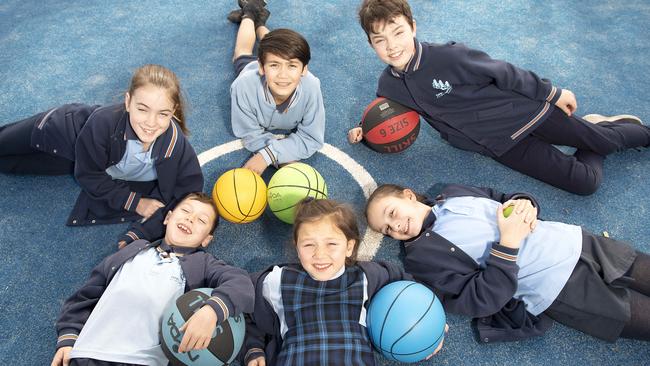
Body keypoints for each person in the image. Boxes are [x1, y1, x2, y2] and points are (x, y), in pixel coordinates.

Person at [347, 0, 650, 195]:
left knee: (608, 142)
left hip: (528, 114)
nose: (392, 46)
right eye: (380, 40)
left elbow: (505, 72)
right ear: (371, 44)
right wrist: (365, 129)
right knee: (585, 184)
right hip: (499, 146)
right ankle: (597, 126)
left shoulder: (449, 56)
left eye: (398, 33)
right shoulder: (389, 84)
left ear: (413, 27)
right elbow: (385, 110)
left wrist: (553, 93)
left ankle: (621, 131)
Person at [365, 183, 650, 343]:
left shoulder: (452, 192)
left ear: (408, 195)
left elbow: (504, 199)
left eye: (391, 213)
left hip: (577, 242)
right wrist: (509, 244)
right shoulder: (422, 258)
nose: (395, 226)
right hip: (561, 289)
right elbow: (478, 300)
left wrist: (525, 202)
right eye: (386, 230)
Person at [0, 64, 204, 245]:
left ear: (174, 111)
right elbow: (88, 175)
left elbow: (191, 197)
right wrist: (136, 202)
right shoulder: (103, 121)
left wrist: (143, 233)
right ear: (128, 102)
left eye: (163, 114)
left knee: (9, 166)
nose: (151, 122)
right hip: (59, 132)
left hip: (71, 160)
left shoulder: (176, 146)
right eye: (142, 109)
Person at [51, 192, 255, 366]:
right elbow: (86, 296)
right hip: (87, 353)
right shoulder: (133, 250)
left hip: (142, 361)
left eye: (201, 220)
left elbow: (241, 282)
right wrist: (68, 336)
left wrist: (212, 311)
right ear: (167, 218)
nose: (191, 219)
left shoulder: (202, 263)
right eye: (185, 211)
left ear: (206, 240)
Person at [241, 198, 445, 366]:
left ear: (349, 247)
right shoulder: (278, 280)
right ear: (296, 246)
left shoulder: (366, 276)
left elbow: (412, 291)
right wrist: (253, 348)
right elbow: (245, 310)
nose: (320, 254)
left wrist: (431, 329)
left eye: (331, 243)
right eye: (309, 244)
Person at [227, 0, 325, 175]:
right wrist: (283, 157)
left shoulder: (312, 86)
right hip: (252, 73)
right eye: (274, 66)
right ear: (262, 68)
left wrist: (269, 155)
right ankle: (249, 13)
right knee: (241, 53)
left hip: (270, 63)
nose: (283, 75)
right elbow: (250, 133)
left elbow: (312, 137)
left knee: (275, 47)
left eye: (292, 66)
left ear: (304, 70)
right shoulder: (243, 86)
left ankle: (260, 22)